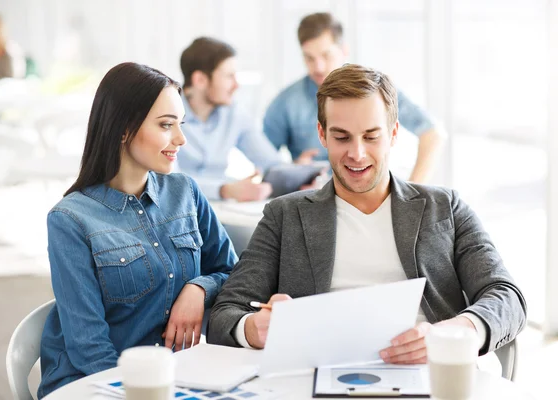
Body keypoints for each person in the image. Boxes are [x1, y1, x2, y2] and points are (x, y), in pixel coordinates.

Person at [208, 64, 526, 365]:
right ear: (322, 135)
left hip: (428, 371)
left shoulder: (445, 207)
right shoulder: (284, 215)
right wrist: (253, 327)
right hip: (315, 375)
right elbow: (225, 313)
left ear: (394, 134)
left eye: (371, 136)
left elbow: (506, 297)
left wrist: (450, 333)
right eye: (342, 137)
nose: (357, 154)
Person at [38, 62, 237, 398]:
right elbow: (90, 348)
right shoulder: (70, 220)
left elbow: (233, 271)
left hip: (172, 379)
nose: (181, 138)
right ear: (124, 128)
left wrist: (199, 288)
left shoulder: (185, 192)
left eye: (181, 124)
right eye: (165, 125)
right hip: (95, 384)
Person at [263, 12, 444, 183]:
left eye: (326, 56)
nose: (318, 67)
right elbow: (265, 166)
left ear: (344, 51)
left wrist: (412, 191)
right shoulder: (286, 103)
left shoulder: (378, 91)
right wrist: (292, 172)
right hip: (314, 203)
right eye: (309, 58)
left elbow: (433, 133)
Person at [177, 37, 319, 202]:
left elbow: (270, 163)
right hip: (177, 210)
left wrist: (295, 173)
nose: (236, 85)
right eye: (229, 76)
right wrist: (224, 190)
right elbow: (166, 180)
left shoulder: (234, 113)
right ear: (200, 80)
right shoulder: (166, 115)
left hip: (219, 210)